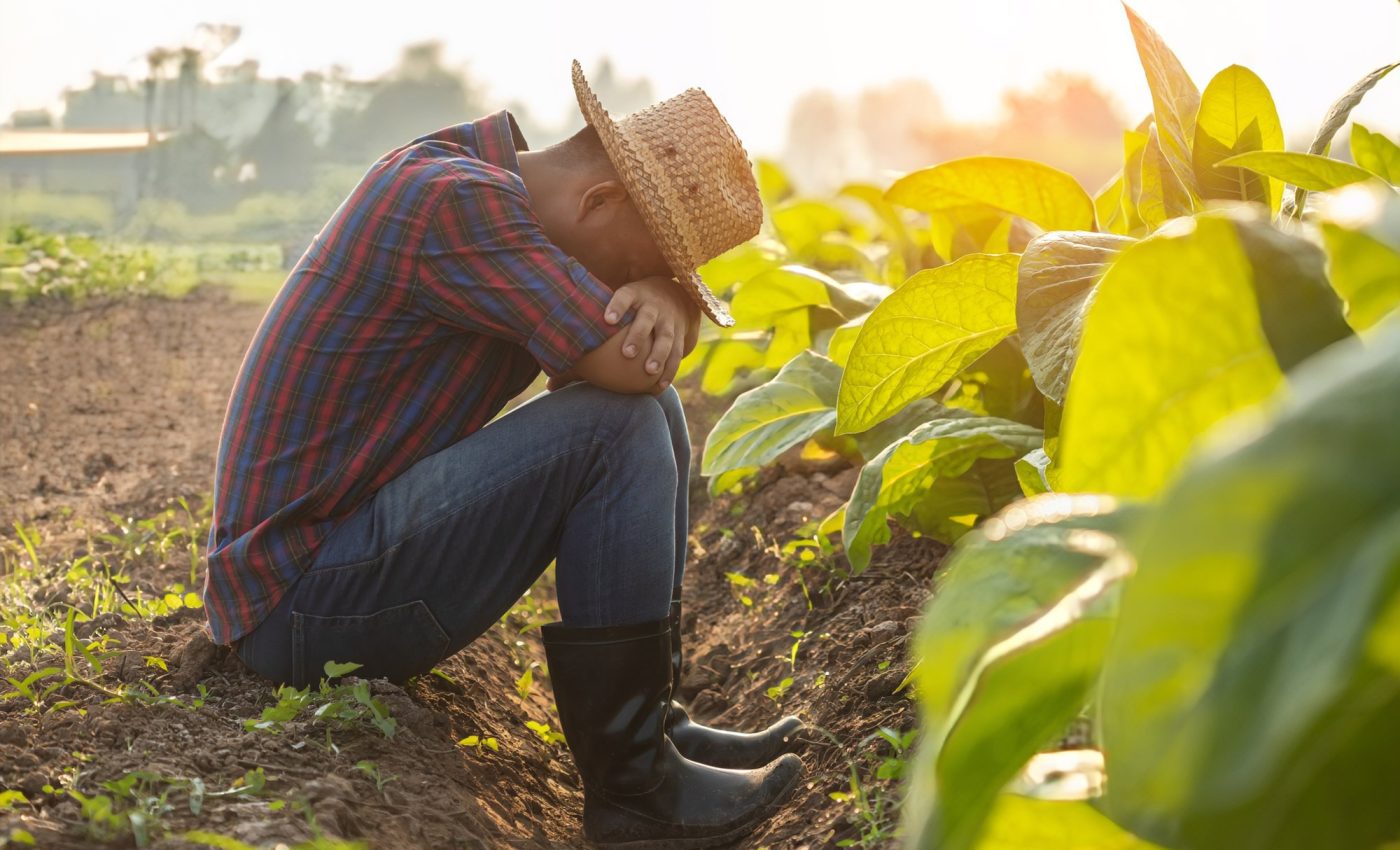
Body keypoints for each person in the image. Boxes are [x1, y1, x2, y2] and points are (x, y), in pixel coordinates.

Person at [204, 61, 805, 848]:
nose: (633, 287)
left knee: (647, 412)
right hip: (299, 609)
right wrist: (671, 302)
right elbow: (633, 364)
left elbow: (638, 370)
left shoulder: (480, 184)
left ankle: (653, 727)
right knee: (616, 426)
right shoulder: (453, 203)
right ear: (598, 201)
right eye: (638, 264)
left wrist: (665, 293)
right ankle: (634, 790)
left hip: (330, 572)